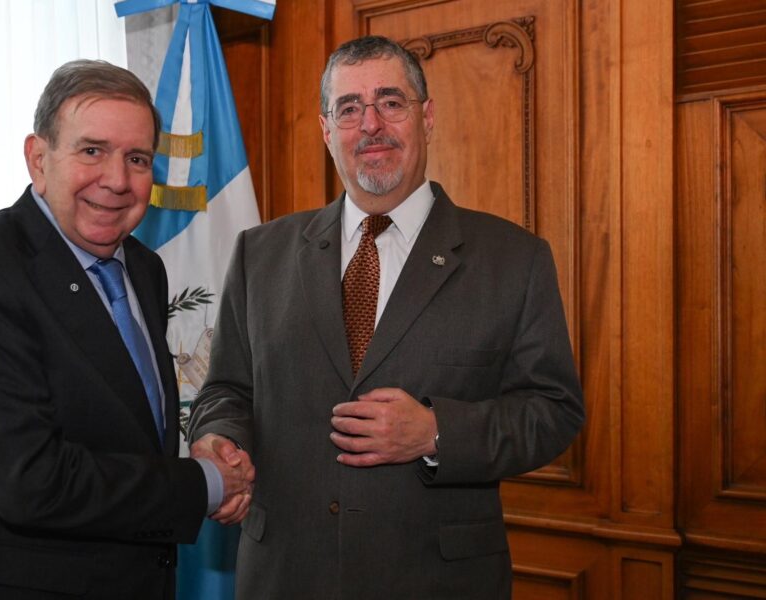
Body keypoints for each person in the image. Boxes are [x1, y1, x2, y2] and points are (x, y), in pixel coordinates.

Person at [188, 36, 585, 599]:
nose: (370, 124)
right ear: (327, 131)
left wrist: (436, 431)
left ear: (426, 118)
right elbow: (225, 389)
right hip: (285, 576)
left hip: (437, 580)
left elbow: (554, 413)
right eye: (349, 108)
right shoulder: (260, 254)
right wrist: (218, 440)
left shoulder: (513, 259)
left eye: (390, 102)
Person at [0, 59, 254, 600]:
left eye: (137, 159)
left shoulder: (144, 267)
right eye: (92, 150)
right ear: (38, 159)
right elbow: (31, 481)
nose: (117, 181)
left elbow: (127, 432)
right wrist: (206, 484)